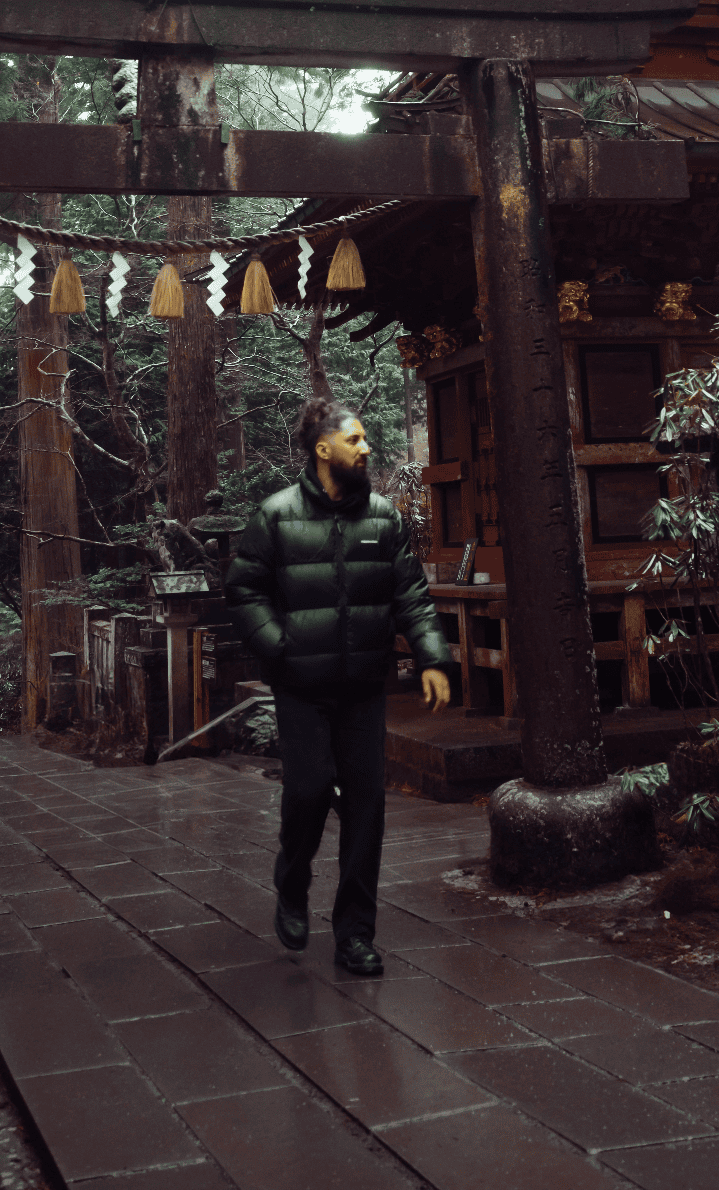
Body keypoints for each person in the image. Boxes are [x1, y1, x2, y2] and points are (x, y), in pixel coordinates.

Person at [223, 397, 454, 975]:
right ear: (324, 449)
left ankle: (354, 933)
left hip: (363, 685)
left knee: (367, 806)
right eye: (356, 440)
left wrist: (431, 657)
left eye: (366, 439)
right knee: (307, 790)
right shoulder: (275, 515)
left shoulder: (384, 516)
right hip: (302, 684)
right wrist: (281, 647)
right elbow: (244, 591)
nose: (367, 447)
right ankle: (292, 881)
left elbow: (411, 594)